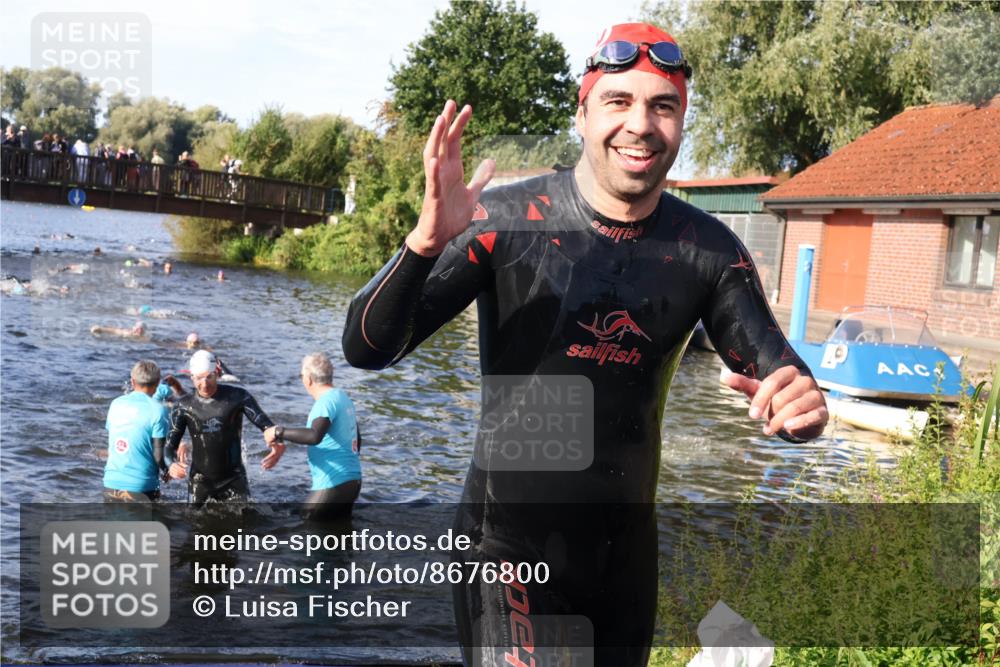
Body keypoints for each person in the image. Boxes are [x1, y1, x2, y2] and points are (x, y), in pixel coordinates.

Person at [342, 22, 827, 666]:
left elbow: (780, 376)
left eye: (663, 106)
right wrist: (424, 246)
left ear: (681, 122)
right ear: (582, 111)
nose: (641, 125)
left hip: (623, 565)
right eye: (618, 101)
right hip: (506, 552)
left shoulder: (706, 251)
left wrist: (803, 410)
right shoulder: (503, 221)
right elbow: (368, 348)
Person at [165, 350, 284, 506]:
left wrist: (279, 444)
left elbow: (266, 424)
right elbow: (169, 446)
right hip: (200, 481)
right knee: (193, 527)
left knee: (244, 525)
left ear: (218, 373)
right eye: (199, 378)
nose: (205, 383)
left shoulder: (238, 397)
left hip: (233, 478)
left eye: (209, 376)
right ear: (191, 377)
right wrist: (171, 464)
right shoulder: (183, 406)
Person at [264, 353, 362, 521]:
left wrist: (278, 432)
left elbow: (314, 436)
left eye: (301, 376)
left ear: (308, 379)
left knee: (309, 528)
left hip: (333, 483)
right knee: (339, 538)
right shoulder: (342, 397)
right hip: (352, 481)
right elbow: (357, 439)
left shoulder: (325, 403)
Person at [103, 360, 172, 502]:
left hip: (111, 483)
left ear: (132, 382)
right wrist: (166, 470)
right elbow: (158, 455)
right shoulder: (159, 410)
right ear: (158, 382)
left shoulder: (116, 403)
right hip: (142, 486)